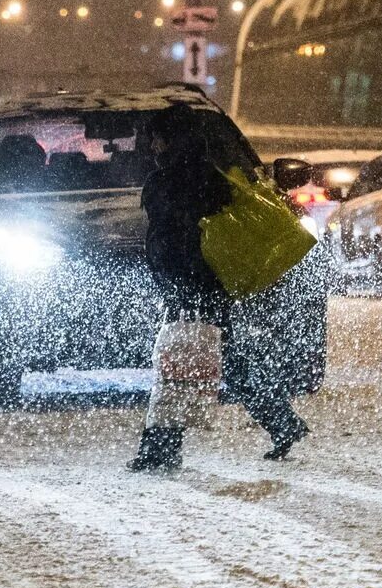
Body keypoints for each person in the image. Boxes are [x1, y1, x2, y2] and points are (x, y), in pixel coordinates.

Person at [129, 104, 310, 472]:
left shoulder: (170, 182)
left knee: (178, 363)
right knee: (223, 360)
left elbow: (175, 242)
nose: (153, 146)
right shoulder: (214, 175)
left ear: (171, 140)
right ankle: (282, 422)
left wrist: (178, 283)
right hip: (207, 285)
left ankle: (161, 449)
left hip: (190, 289)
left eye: (157, 139)